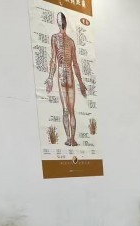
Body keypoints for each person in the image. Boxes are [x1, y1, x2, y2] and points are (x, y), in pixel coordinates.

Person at [45, 13, 87, 146]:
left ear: (58, 23)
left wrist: (50, 77)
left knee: (66, 110)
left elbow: (53, 60)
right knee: (71, 110)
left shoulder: (55, 38)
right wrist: (81, 83)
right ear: (66, 23)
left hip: (62, 74)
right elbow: (75, 64)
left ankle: (69, 139)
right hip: (69, 74)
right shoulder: (71, 41)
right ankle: (72, 139)